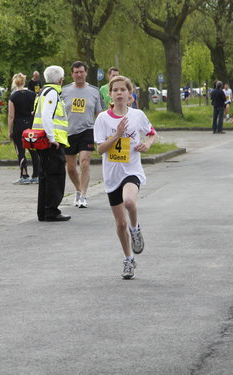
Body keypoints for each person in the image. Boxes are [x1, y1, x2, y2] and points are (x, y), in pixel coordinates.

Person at [93, 75, 156, 280]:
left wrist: (148, 144)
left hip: (132, 170)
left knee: (129, 201)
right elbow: (100, 149)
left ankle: (135, 228)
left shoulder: (137, 115)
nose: (119, 93)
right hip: (112, 175)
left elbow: (152, 133)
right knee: (120, 225)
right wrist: (117, 134)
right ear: (110, 95)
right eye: (115, 90)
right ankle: (128, 259)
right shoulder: (103, 119)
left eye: (123, 90)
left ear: (130, 94)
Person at [61, 61, 102, 208]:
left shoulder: (94, 91)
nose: (79, 75)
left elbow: (99, 114)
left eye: (81, 72)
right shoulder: (64, 91)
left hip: (87, 130)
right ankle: (78, 190)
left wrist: (102, 133)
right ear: (72, 74)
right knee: (71, 167)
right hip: (69, 132)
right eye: (76, 72)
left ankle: (84, 195)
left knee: (84, 162)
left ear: (86, 73)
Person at [33, 65, 70, 222]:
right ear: (61, 80)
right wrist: (52, 138)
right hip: (50, 142)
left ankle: (44, 211)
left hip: (41, 141)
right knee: (55, 176)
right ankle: (52, 210)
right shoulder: (53, 93)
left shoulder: (42, 92)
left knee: (45, 176)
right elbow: (47, 117)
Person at [7, 73, 39, 184]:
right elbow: (36, 110)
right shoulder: (33, 95)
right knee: (34, 150)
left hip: (19, 126)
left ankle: (24, 175)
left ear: (14, 83)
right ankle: (36, 175)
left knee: (21, 150)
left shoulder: (13, 97)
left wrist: (9, 130)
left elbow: (11, 116)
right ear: (24, 82)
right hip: (31, 125)